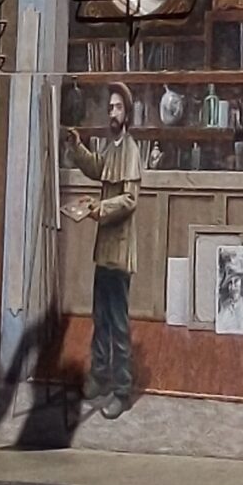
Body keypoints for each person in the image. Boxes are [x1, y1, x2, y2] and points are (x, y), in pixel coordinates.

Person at [63, 84, 142, 418]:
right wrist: (77, 147)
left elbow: (130, 200)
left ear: (128, 113)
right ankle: (98, 378)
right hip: (105, 249)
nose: (112, 113)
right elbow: (97, 168)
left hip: (120, 252)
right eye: (110, 108)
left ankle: (121, 391)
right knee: (100, 318)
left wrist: (100, 208)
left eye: (118, 108)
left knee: (118, 323)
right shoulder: (112, 147)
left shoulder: (131, 150)